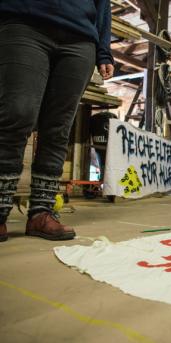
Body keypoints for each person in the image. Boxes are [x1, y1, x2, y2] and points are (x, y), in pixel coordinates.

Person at [0, 1, 114, 242]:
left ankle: (42, 213)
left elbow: (103, 3)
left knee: (59, 128)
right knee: (17, 114)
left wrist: (103, 50)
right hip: (25, 24)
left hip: (81, 39)